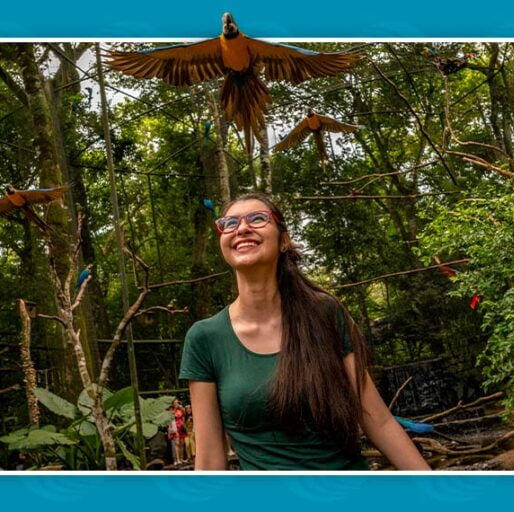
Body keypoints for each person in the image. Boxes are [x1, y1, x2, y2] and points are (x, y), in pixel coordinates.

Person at [179, 193, 430, 470]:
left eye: (258, 218)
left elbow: (377, 420)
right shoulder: (204, 338)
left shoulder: (325, 313)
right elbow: (210, 458)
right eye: (229, 223)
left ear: (284, 240)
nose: (242, 228)